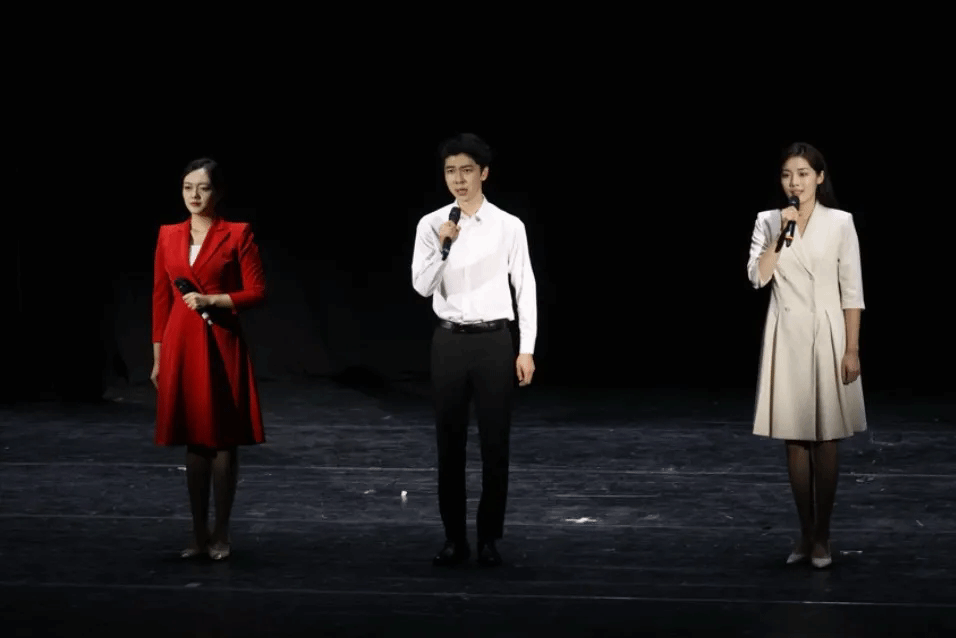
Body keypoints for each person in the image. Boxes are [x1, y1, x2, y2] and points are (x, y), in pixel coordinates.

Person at [411, 133, 538, 567]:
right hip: (448, 341)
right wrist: (444, 246)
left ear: (483, 173)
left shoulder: (508, 225)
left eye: (466, 170)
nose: (458, 180)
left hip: (493, 342)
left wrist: (526, 349)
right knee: (449, 445)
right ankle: (454, 539)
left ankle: (489, 538)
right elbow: (421, 286)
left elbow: (525, 286)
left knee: (494, 444)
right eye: (450, 171)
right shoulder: (431, 225)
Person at [746, 142, 866, 569]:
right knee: (795, 437)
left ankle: (823, 535)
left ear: (819, 177)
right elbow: (757, 278)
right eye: (786, 175)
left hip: (829, 333)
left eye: (802, 173)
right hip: (787, 334)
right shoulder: (768, 221)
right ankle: (804, 530)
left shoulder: (840, 222)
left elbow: (852, 290)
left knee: (826, 437)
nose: (794, 182)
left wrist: (851, 348)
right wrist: (781, 233)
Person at [151, 158, 267, 560]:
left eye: (202, 188)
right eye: (188, 188)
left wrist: (212, 300)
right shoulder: (168, 235)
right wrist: (158, 358)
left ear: (217, 192)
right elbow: (161, 298)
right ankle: (197, 534)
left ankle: (221, 532)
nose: (194, 195)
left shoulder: (237, 233)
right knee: (194, 437)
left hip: (220, 341)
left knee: (222, 438)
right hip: (181, 343)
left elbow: (257, 291)